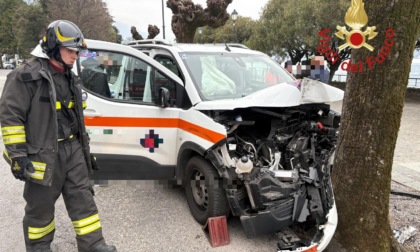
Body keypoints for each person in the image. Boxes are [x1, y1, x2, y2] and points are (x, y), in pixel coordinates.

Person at [0, 20, 117, 252]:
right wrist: (18, 156)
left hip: (72, 150)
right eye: (70, 51)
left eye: (76, 51)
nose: (75, 56)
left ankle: (94, 245)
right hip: (41, 154)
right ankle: (39, 247)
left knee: (83, 200)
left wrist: (84, 151)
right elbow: (10, 118)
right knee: (40, 209)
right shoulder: (25, 76)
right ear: (54, 48)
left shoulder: (68, 76)